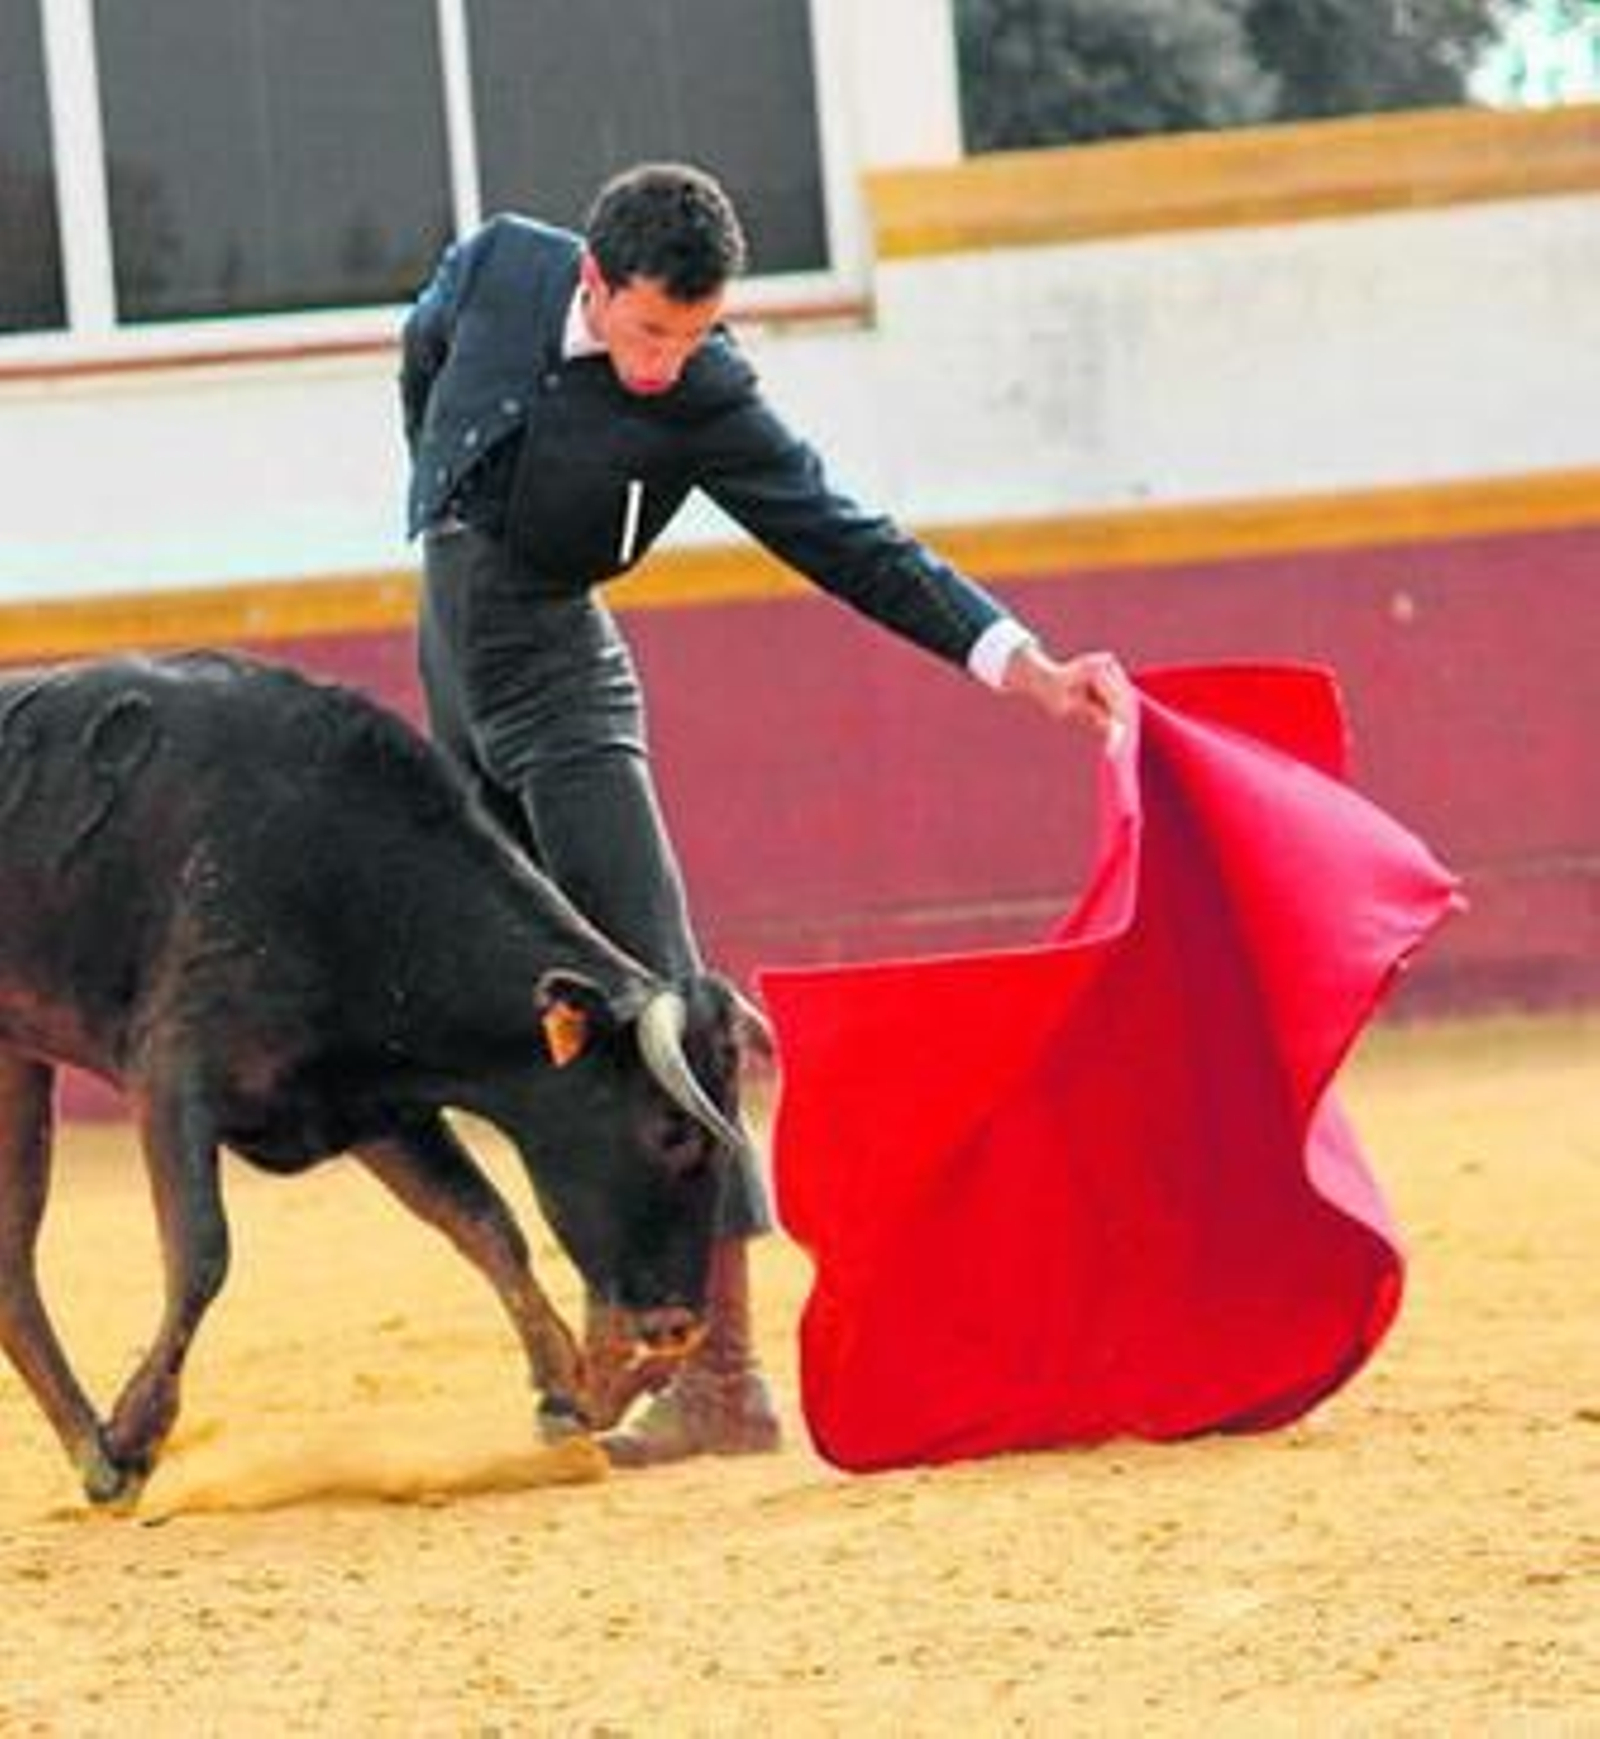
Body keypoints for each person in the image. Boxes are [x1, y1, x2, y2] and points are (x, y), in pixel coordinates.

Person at [399, 161, 1129, 1467]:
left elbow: (853, 542)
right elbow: (427, 350)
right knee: (535, 1020)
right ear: (592, 281)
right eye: (647, 331)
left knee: (669, 1010)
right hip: (452, 657)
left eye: (692, 336)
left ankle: (726, 1378)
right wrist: (440, 509)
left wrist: (1022, 663)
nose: (663, 364)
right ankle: (624, 1327)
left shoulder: (708, 396)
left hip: (561, 686)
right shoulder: (501, 261)